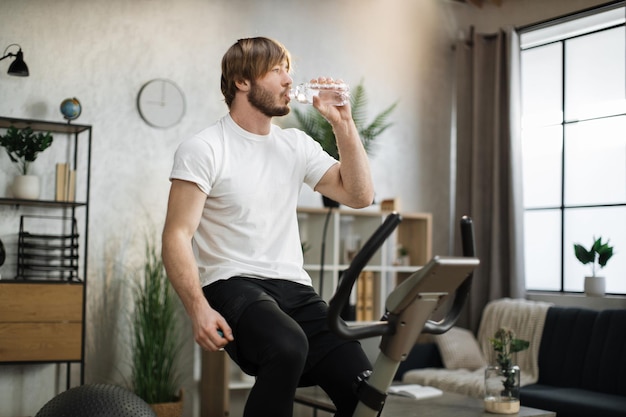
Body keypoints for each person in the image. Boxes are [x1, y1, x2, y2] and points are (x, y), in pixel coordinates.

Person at [162, 37, 375, 417]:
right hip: (232, 284)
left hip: (295, 289)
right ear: (242, 80)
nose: (289, 79)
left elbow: (359, 196)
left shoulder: (296, 144)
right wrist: (197, 309)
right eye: (277, 69)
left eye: (288, 69)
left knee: (364, 387)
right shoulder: (205, 148)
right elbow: (177, 235)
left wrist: (343, 123)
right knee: (287, 345)